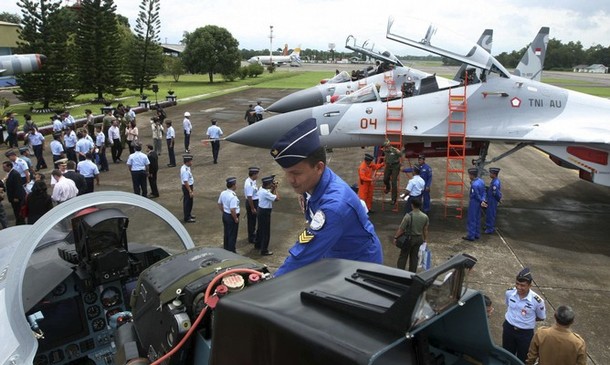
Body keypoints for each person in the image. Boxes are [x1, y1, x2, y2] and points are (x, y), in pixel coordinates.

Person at [269, 118, 383, 276]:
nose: (290, 180)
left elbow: (303, 255)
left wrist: (272, 283)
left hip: (358, 269)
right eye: (287, 172)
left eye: (296, 173)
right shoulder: (314, 182)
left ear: (319, 167)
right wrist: (303, 191)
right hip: (336, 255)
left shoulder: (334, 207)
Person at [503, 267, 546, 362]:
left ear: (530, 286)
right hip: (508, 328)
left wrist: (525, 321)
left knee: (522, 358)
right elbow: (508, 305)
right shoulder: (509, 293)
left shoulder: (537, 301)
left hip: (525, 334)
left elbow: (541, 317)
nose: (519, 287)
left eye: (522, 285)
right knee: (506, 355)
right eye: (517, 284)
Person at [393, 198, 429, 272]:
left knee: (403, 256)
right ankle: (412, 273)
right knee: (414, 257)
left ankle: (400, 272)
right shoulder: (425, 217)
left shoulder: (408, 216)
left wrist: (396, 237)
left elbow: (401, 229)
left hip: (409, 239)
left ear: (412, 205)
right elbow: (425, 230)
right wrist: (425, 239)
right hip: (419, 239)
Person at [257, 175, 280, 256]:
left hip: (260, 210)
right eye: (271, 183)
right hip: (265, 212)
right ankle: (264, 250)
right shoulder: (265, 193)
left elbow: (270, 194)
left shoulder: (261, 189)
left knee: (260, 229)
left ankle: (258, 245)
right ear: (268, 184)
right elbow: (277, 198)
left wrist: (273, 188)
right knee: (266, 232)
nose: (272, 185)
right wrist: (276, 188)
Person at [463, 168, 487, 241]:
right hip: (479, 203)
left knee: (471, 219)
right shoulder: (481, 181)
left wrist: (480, 201)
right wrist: (483, 200)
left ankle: (471, 235)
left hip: (474, 202)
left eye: (469, 175)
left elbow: (476, 194)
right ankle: (477, 234)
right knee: (477, 218)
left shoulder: (474, 184)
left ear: (472, 175)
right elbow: (484, 192)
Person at [218, 177, 240, 252]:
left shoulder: (223, 193)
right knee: (232, 235)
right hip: (231, 217)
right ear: (233, 185)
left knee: (227, 233)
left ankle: (226, 248)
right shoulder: (233, 196)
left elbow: (219, 203)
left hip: (225, 215)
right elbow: (232, 210)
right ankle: (231, 250)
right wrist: (236, 218)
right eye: (235, 184)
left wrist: (224, 211)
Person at [2, 161, 26, 225]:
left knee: (18, 211)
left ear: (9, 166)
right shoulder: (9, 174)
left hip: (16, 198)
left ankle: (21, 223)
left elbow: (18, 186)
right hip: (13, 198)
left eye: (4, 167)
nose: (3, 169)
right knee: (16, 211)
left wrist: (16, 197)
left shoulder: (14, 174)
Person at [382, 141, 402, 205]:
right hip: (388, 165)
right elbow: (385, 156)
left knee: (394, 182)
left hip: (395, 166)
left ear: (389, 146)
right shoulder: (385, 150)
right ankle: (388, 187)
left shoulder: (395, 150)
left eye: (386, 147)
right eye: (385, 147)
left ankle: (393, 199)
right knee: (385, 179)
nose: (385, 148)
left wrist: (401, 164)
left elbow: (401, 155)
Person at [244, 166, 260, 244]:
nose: (258, 176)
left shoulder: (253, 181)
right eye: (257, 174)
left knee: (253, 220)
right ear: (253, 174)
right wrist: (252, 208)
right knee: (251, 221)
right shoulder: (249, 184)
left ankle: (253, 234)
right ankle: (251, 237)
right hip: (252, 202)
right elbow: (249, 197)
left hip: (254, 201)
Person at [485, 167, 502, 234]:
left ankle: (490, 229)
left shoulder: (495, 183)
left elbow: (496, 193)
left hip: (493, 200)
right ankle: (488, 226)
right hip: (491, 199)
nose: (490, 174)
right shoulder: (495, 180)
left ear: (494, 174)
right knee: (489, 213)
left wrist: (499, 199)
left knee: (491, 214)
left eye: (491, 173)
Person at [181, 154, 195, 222]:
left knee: (190, 202)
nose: (191, 162)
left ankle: (189, 214)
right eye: (190, 161)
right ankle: (187, 217)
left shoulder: (187, 167)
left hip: (189, 186)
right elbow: (185, 181)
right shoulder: (185, 170)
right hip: (187, 187)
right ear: (187, 162)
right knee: (187, 202)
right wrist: (190, 191)